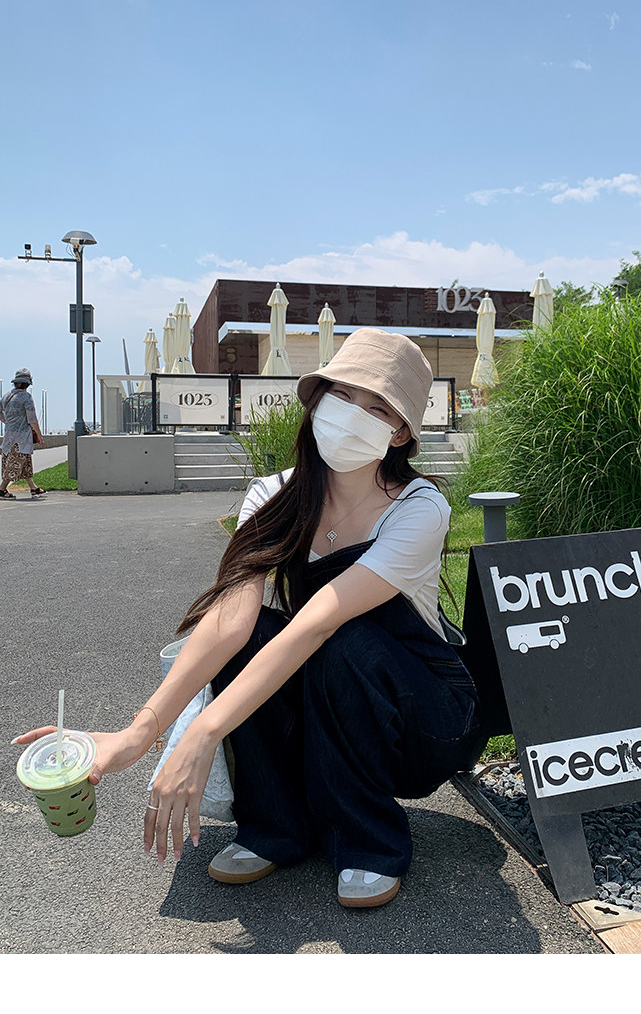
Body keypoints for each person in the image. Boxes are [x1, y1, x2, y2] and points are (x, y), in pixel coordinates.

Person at [13, 330, 481, 908]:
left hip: (422, 717)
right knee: (254, 633)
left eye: (378, 407)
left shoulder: (419, 508)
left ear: (401, 432)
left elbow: (316, 623)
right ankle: (277, 827)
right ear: (318, 400)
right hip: (329, 694)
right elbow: (229, 621)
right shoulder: (273, 495)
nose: (353, 414)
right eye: (343, 394)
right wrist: (137, 736)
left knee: (344, 639)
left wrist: (204, 733)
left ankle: (369, 841)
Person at [0, 368, 45, 499]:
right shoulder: (26, 397)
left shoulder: (6, 396)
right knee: (15, 463)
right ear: (28, 383)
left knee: (25, 463)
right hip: (22, 437)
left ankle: (33, 488)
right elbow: (32, 419)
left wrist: (7, 421)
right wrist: (39, 435)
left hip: (9, 435)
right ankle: (1, 489)